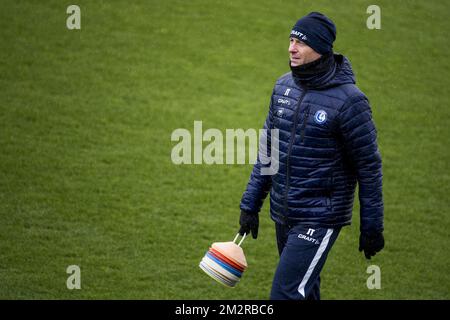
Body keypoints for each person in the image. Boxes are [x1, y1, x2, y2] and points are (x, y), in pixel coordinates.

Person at [238, 12, 385, 300]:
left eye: (300, 43)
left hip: (320, 216)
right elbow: (269, 151)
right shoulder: (283, 87)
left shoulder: (351, 101)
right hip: (284, 212)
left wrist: (372, 227)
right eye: (291, 40)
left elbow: (369, 167)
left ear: (320, 48)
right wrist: (250, 206)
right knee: (305, 291)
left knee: (286, 292)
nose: (291, 48)